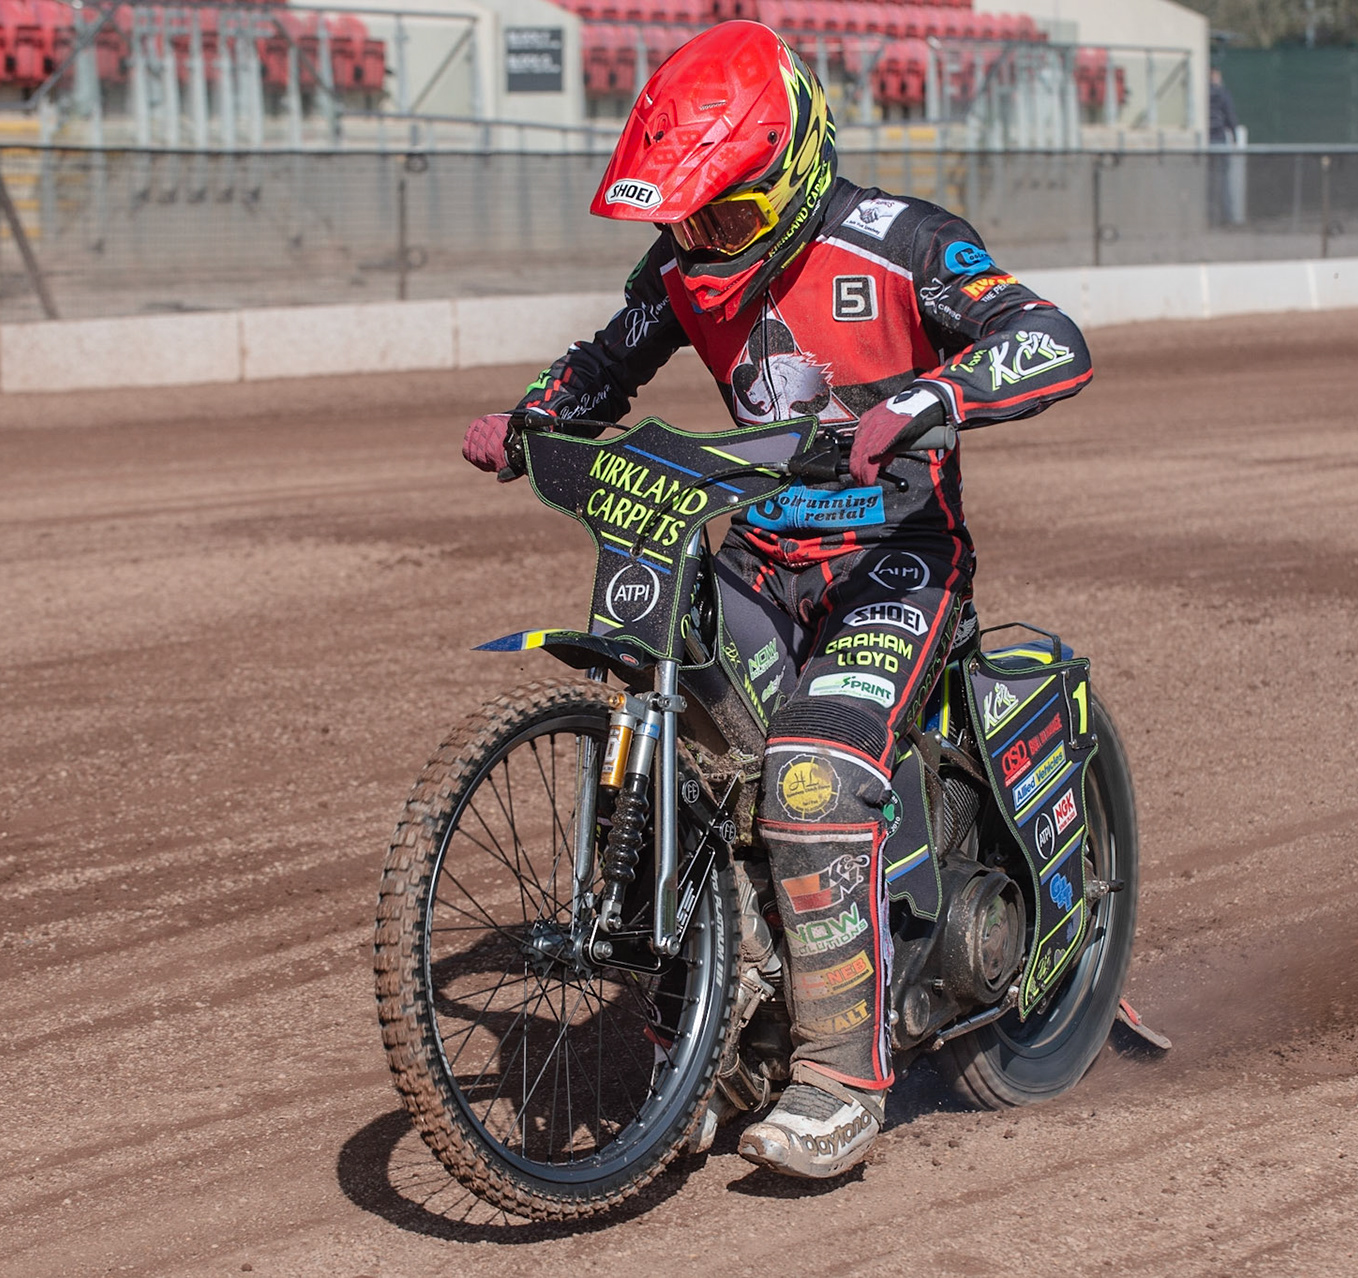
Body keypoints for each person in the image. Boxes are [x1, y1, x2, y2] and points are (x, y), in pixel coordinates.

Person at [461, 21, 1093, 1181]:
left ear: (794, 169)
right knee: (687, 759)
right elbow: (605, 364)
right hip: (756, 558)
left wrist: (935, 395)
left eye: (728, 218)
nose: (702, 244)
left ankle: (841, 1080)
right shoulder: (685, 266)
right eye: (686, 221)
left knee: (807, 778)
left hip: (894, 565)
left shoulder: (902, 242)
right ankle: (710, 1048)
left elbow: (1049, 337)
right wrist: (531, 417)